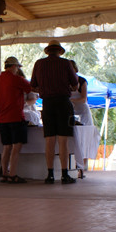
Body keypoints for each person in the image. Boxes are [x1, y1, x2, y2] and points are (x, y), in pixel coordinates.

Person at [29, 40, 78, 185]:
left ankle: (49, 174)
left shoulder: (39, 64)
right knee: (63, 140)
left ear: (48, 51)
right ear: (59, 51)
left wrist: (45, 89)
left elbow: (33, 86)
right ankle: (64, 174)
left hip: (47, 104)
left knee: (49, 140)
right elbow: (75, 85)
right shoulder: (66, 63)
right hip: (63, 102)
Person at [0, 56, 31, 184]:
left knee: (6, 147)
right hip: (16, 117)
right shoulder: (17, 79)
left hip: (3, 119)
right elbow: (30, 88)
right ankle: (13, 174)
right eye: (17, 67)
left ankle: (4, 174)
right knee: (16, 147)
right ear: (14, 66)